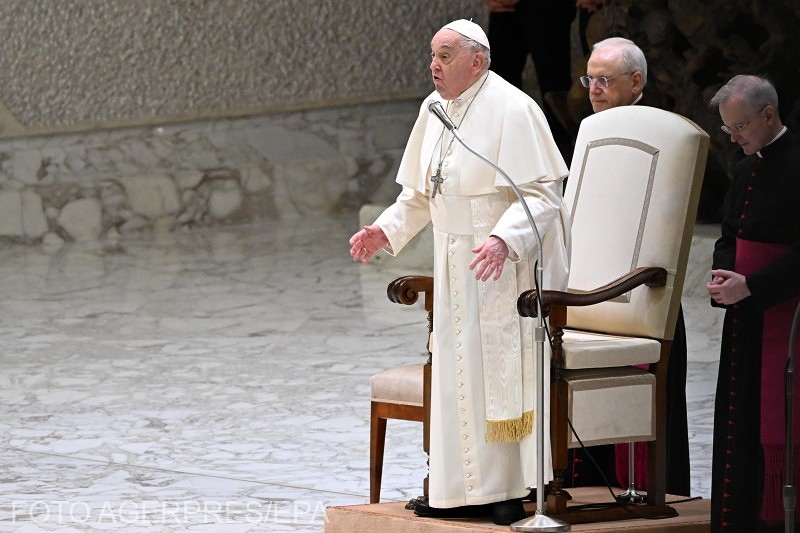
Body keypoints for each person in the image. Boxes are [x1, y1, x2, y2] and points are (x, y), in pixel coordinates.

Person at [349, 19, 570, 526]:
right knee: (455, 379)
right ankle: (456, 491)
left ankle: (507, 491)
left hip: (499, 268)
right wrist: (386, 230)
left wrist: (503, 238)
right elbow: (421, 194)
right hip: (452, 261)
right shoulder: (434, 111)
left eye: (445, 55)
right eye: (432, 55)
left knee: (494, 379)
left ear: (478, 61)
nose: (434, 65)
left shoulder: (514, 108)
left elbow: (542, 195)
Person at [569, 37, 691, 498]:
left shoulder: (666, 137)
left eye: (605, 80)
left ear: (636, 81)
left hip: (641, 296)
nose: (594, 90)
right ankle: (587, 495)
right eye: (590, 79)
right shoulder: (584, 132)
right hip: (587, 293)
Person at [707, 75, 800, 533]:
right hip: (744, 316)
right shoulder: (744, 167)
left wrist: (753, 286)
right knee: (736, 424)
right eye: (727, 129)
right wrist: (724, 275)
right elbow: (728, 235)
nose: (735, 137)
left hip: (786, 320)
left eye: (739, 126)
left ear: (768, 114)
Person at [481, 0, 576, 159]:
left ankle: (564, 162)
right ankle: (505, 155)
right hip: (506, 10)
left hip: (549, 7)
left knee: (554, 88)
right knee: (498, 84)